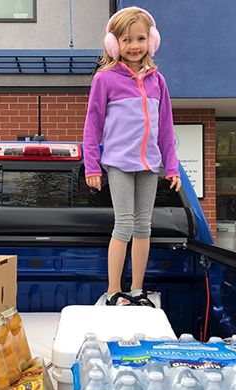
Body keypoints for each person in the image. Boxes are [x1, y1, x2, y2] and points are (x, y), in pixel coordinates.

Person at [83, 6, 181, 306]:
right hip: (119, 164)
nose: (134, 46)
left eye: (140, 39)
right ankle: (115, 290)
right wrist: (92, 166)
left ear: (151, 40)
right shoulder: (105, 79)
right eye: (126, 40)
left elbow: (166, 128)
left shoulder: (157, 81)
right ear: (114, 44)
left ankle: (137, 289)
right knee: (123, 225)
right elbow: (92, 125)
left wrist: (172, 167)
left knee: (143, 227)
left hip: (149, 165)